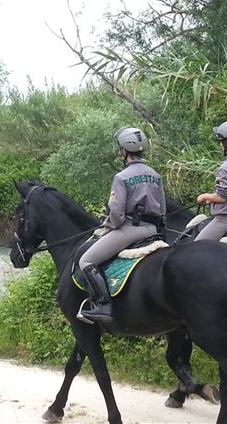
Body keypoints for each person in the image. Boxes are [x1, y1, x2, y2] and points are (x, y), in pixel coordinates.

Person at [78, 127, 166, 323]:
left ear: (125, 151)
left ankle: (103, 306)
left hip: (130, 231)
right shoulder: (155, 175)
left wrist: (108, 224)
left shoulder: (122, 177)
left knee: (86, 261)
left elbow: (117, 216)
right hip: (153, 231)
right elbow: (162, 211)